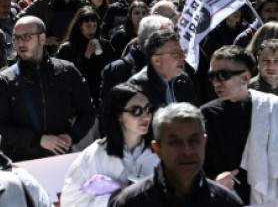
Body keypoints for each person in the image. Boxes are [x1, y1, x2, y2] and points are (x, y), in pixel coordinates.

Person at [0, 15, 96, 161]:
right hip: (22, 163)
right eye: (16, 38)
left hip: (60, 158)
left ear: (42, 39)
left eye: (26, 37)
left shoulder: (67, 71)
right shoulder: (4, 79)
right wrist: (38, 140)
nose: (20, 43)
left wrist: (71, 136)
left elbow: (88, 112)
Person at [108, 103, 242, 207]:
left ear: (204, 142)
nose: (187, 151)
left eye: (194, 140)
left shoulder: (226, 202)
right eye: (175, 142)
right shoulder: (131, 202)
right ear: (157, 149)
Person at [200, 45, 278, 204]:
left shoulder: (271, 108)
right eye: (212, 76)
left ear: (246, 77)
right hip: (225, 199)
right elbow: (195, 165)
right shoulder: (205, 115)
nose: (216, 82)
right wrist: (213, 179)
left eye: (223, 75)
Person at [61, 83, 160, 207]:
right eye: (136, 111)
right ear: (118, 115)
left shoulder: (160, 152)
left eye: (148, 109)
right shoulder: (94, 156)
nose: (145, 116)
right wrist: (116, 197)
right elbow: (70, 202)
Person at [56, 7, 116, 105]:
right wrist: (85, 58)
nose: (92, 29)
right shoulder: (68, 48)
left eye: (95, 25)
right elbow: (66, 77)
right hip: (78, 99)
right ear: (80, 26)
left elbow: (113, 67)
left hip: (100, 97)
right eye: (88, 26)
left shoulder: (105, 46)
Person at [127, 30, 198, 110]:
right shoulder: (138, 86)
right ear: (156, 60)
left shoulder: (184, 80)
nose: (183, 57)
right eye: (175, 53)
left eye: (182, 52)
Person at [20, 0, 90, 47]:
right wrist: (39, 39)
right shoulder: (43, 2)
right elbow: (20, 20)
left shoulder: (83, 4)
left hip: (74, 51)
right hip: (49, 52)